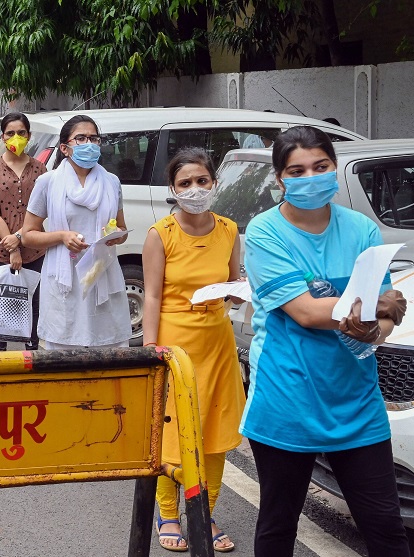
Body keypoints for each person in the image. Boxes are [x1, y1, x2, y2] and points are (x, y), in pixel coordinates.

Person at [242, 125, 409, 557]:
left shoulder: (362, 231)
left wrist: (376, 327)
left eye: (321, 166)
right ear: (279, 179)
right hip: (286, 400)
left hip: (356, 401)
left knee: (386, 529)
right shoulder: (264, 233)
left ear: (334, 168)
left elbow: (383, 319)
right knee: (279, 525)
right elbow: (305, 311)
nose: (311, 176)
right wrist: (368, 310)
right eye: (296, 171)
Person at [142, 147, 244, 553]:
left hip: (218, 343)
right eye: (186, 183)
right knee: (173, 432)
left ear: (214, 183)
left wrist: (240, 292)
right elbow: (150, 296)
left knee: (215, 431)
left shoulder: (230, 230)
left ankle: (204, 511)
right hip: (175, 345)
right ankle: (168, 513)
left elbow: (235, 284)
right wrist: (152, 348)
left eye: (202, 181)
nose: (196, 189)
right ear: (173, 189)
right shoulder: (160, 234)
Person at [20, 114, 132, 349]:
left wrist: (115, 236)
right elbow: (29, 235)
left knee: (108, 352)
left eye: (94, 138)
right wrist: (62, 236)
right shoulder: (48, 182)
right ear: (65, 147)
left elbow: (122, 229)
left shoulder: (111, 182)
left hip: (102, 273)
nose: (88, 144)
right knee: (64, 353)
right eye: (80, 138)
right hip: (65, 278)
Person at [0, 112, 48, 350]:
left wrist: (20, 239)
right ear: (2, 137)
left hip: (35, 248)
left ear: (29, 136)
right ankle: (1, 359)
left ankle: (32, 357)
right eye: (10, 133)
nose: (16, 137)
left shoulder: (41, 170)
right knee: (2, 304)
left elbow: (42, 210)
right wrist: (12, 246)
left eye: (21, 133)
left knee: (33, 304)